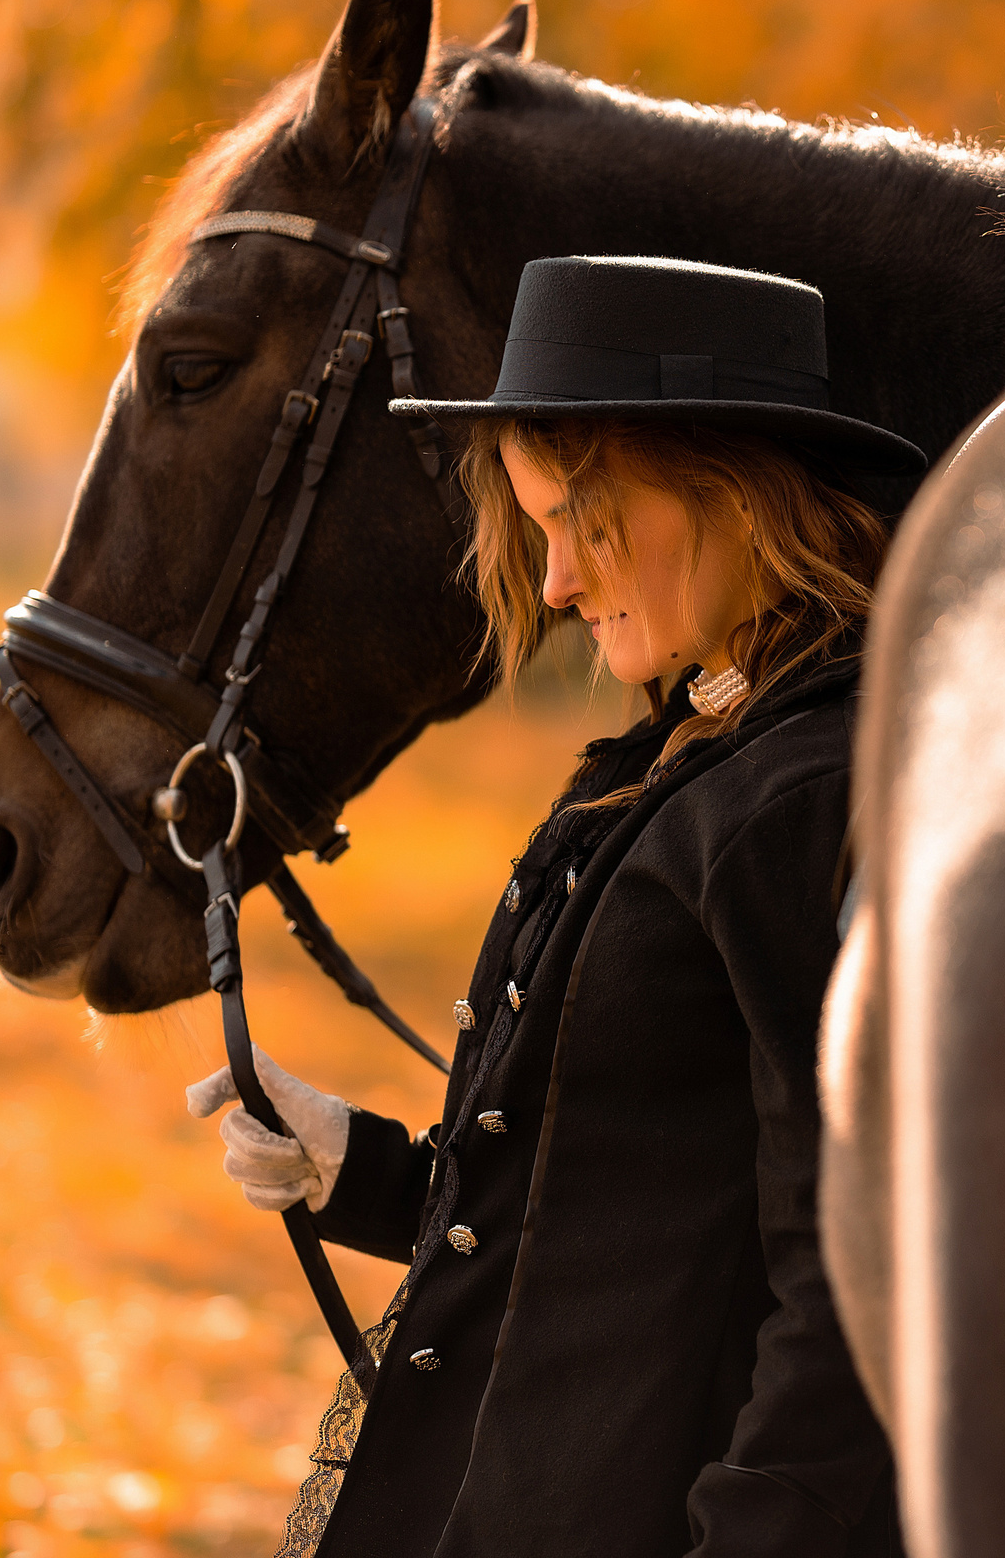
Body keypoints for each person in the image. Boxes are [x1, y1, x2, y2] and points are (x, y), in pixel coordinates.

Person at [183, 255, 928, 1558]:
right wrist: (348, 1167)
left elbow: (852, 1294)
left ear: (735, 490)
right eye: (539, 532)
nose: (563, 584)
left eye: (582, 520)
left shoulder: (798, 804)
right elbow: (593, 1218)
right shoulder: (685, 757)